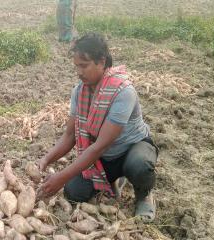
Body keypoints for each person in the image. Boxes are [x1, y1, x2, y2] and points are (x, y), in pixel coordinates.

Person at [37, 32, 158, 222]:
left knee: (139, 165)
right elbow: (70, 136)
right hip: (105, 158)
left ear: (101, 62)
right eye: (76, 66)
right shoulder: (80, 91)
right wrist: (46, 159)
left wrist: (60, 176)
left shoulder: (123, 92)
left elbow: (99, 145)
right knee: (73, 191)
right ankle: (115, 178)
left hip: (132, 149)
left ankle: (144, 195)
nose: (79, 72)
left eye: (84, 66)